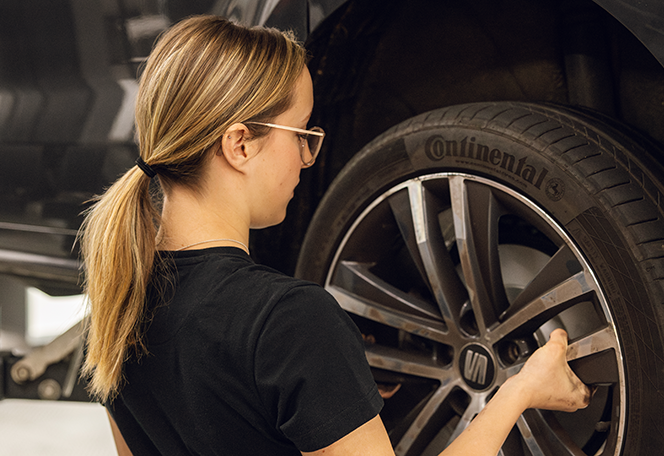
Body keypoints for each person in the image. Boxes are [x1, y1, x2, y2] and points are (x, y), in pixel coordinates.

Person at [79, 15, 591, 456]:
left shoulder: (120, 305)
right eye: (302, 134)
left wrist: (334, 385)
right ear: (239, 144)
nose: (307, 157)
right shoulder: (289, 320)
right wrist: (521, 389)